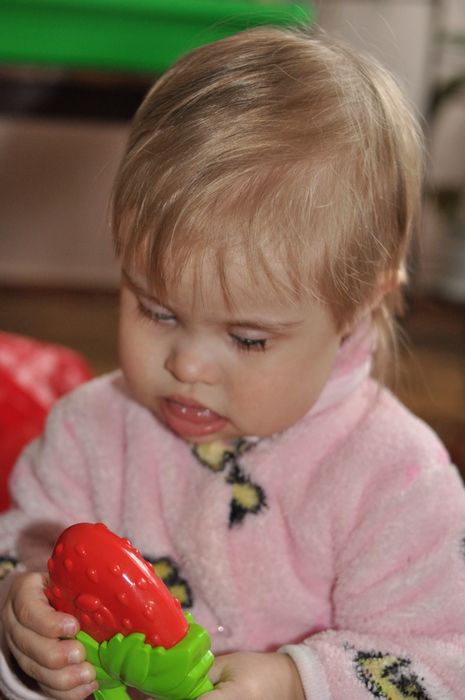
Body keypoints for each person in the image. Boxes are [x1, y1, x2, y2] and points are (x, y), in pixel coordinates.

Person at [1, 25, 465, 700]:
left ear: (356, 310)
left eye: (247, 339)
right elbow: (18, 559)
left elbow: (442, 665)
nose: (187, 365)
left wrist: (298, 682)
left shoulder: (395, 480)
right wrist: (21, 630)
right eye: (156, 311)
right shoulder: (88, 433)